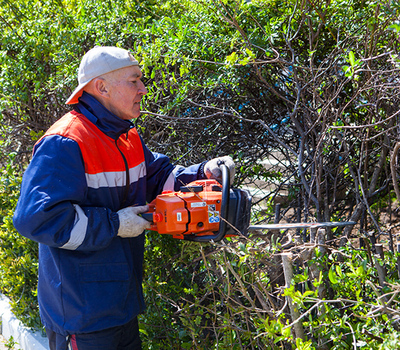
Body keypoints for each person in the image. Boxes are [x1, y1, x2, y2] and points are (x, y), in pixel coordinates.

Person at [12, 46, 235, 350]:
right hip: (82, 315)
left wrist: (203, 172)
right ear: (101, 87)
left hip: (121, 306)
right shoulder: (65, 142)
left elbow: (159, 179)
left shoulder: (126, 137)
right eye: (134, 81)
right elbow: (37, 218)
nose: (143, 89)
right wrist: (115, 224)